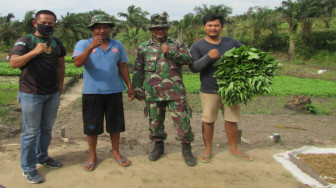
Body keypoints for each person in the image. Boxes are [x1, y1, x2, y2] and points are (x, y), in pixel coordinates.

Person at [132, 13, 196, 166]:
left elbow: (189, 60)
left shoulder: (177, 44)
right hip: (153, 91)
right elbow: (138, 69)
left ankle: (186, 149)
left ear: (167, 28)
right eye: (156, 28)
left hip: (175, 92)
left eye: (163, 28)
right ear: (151, 30)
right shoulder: (144, 47)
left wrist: (171, 52)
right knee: (155, 122)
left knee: (183, 121)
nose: (160, 31)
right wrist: (136, 88)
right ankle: (158, 147)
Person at [9, 10, 66, 184]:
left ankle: (42, 156)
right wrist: (35, 52)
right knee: (30, 132)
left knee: (47, 129)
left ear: (55, 25)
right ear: (35, 23)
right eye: (44, 22)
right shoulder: (25, 41)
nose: (48, 25)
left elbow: (61, 66)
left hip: (51, 93)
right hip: (30, 94)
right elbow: (13, 63)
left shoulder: (56, 43)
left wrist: (60, 86)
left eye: (51, 23)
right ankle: (28, 167)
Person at [73, 14, 135, 171]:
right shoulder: (83, 44)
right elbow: (78, 63)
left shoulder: (117, 45)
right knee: (92, 126)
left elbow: (122, 66)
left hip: (114, 91)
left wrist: (129, 85)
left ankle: (115, 152)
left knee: (115, 125)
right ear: (92, 29)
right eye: (98, 27)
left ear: (110, 29)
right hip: (92, 92)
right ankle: (93, 155)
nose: (102, 30)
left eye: (106, 27)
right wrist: (90, 47)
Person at [189, 13, 253, 163]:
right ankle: (207, 150)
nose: (213, 28)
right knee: (208, 120)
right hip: (209, 89)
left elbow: (247, 55)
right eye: (210, 25)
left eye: (216, 25)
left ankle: (234, 148)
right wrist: (208, 57)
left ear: (221, 27)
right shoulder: (197, 46)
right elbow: (193, 67)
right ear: (204, 27)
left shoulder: (232, 43)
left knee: (231, 120)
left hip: (231, 89)